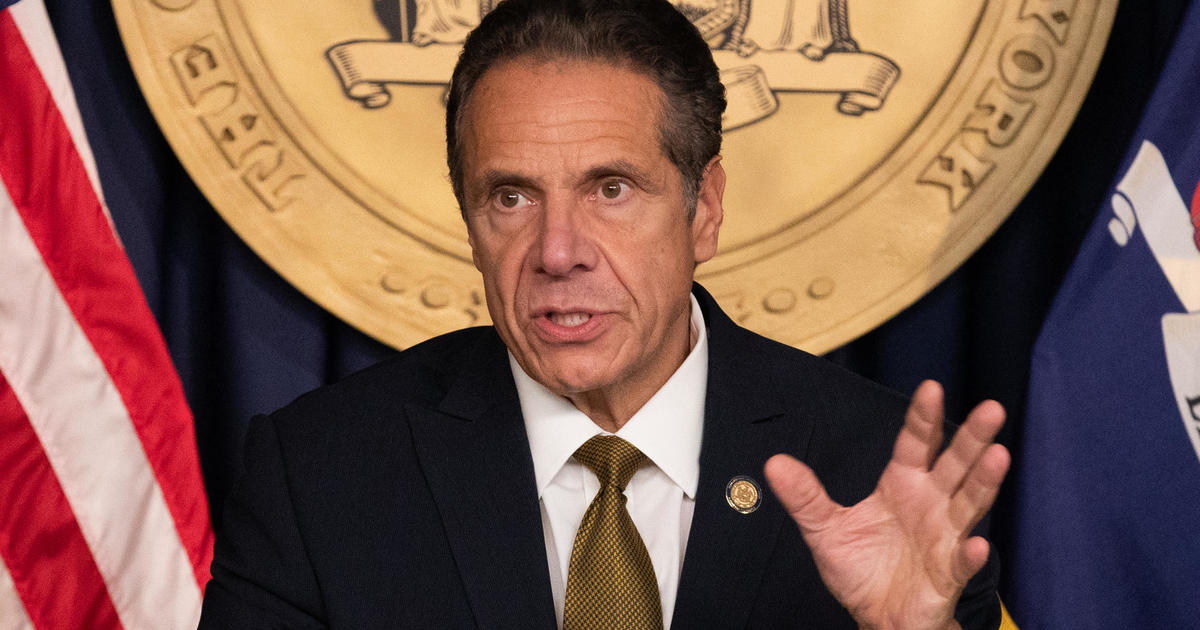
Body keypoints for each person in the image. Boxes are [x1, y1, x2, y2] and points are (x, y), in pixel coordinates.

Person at [198, 0, 1008, 627]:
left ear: (704, 209)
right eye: (511, 197)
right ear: (470, 223)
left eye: (611, 190)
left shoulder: (875, 473)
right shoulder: (320, 476)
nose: (558, 252)